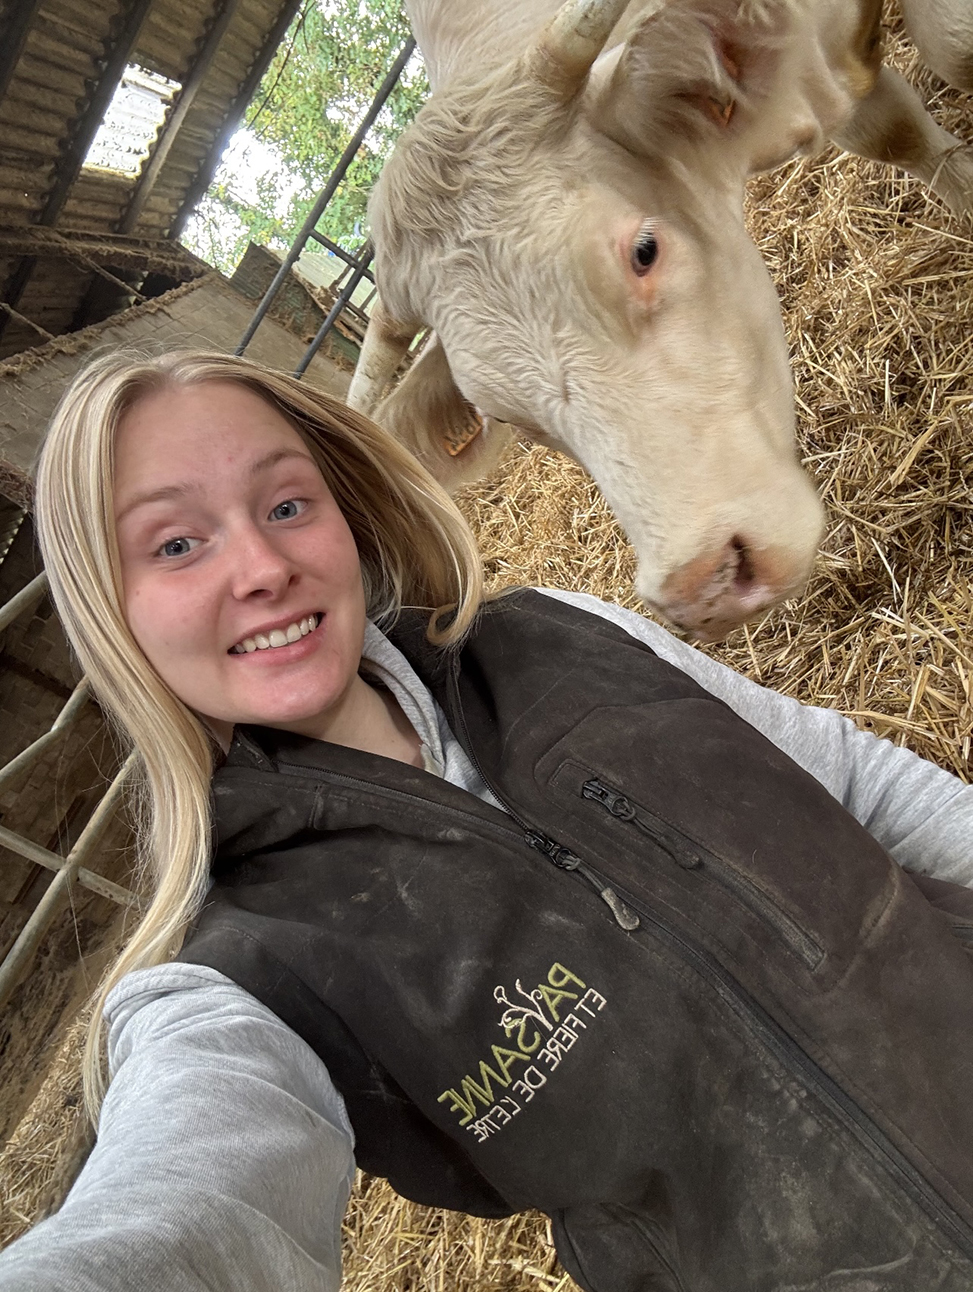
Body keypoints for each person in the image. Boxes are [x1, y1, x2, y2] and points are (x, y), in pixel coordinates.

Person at [1, 348, 972, 1292]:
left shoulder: (555, 633)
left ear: (343, 511)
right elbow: (182, 1214)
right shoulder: (239, 973)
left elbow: (847, 779)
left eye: (287, 504)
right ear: (112, 615)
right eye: (175, 543)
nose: (262, 565)